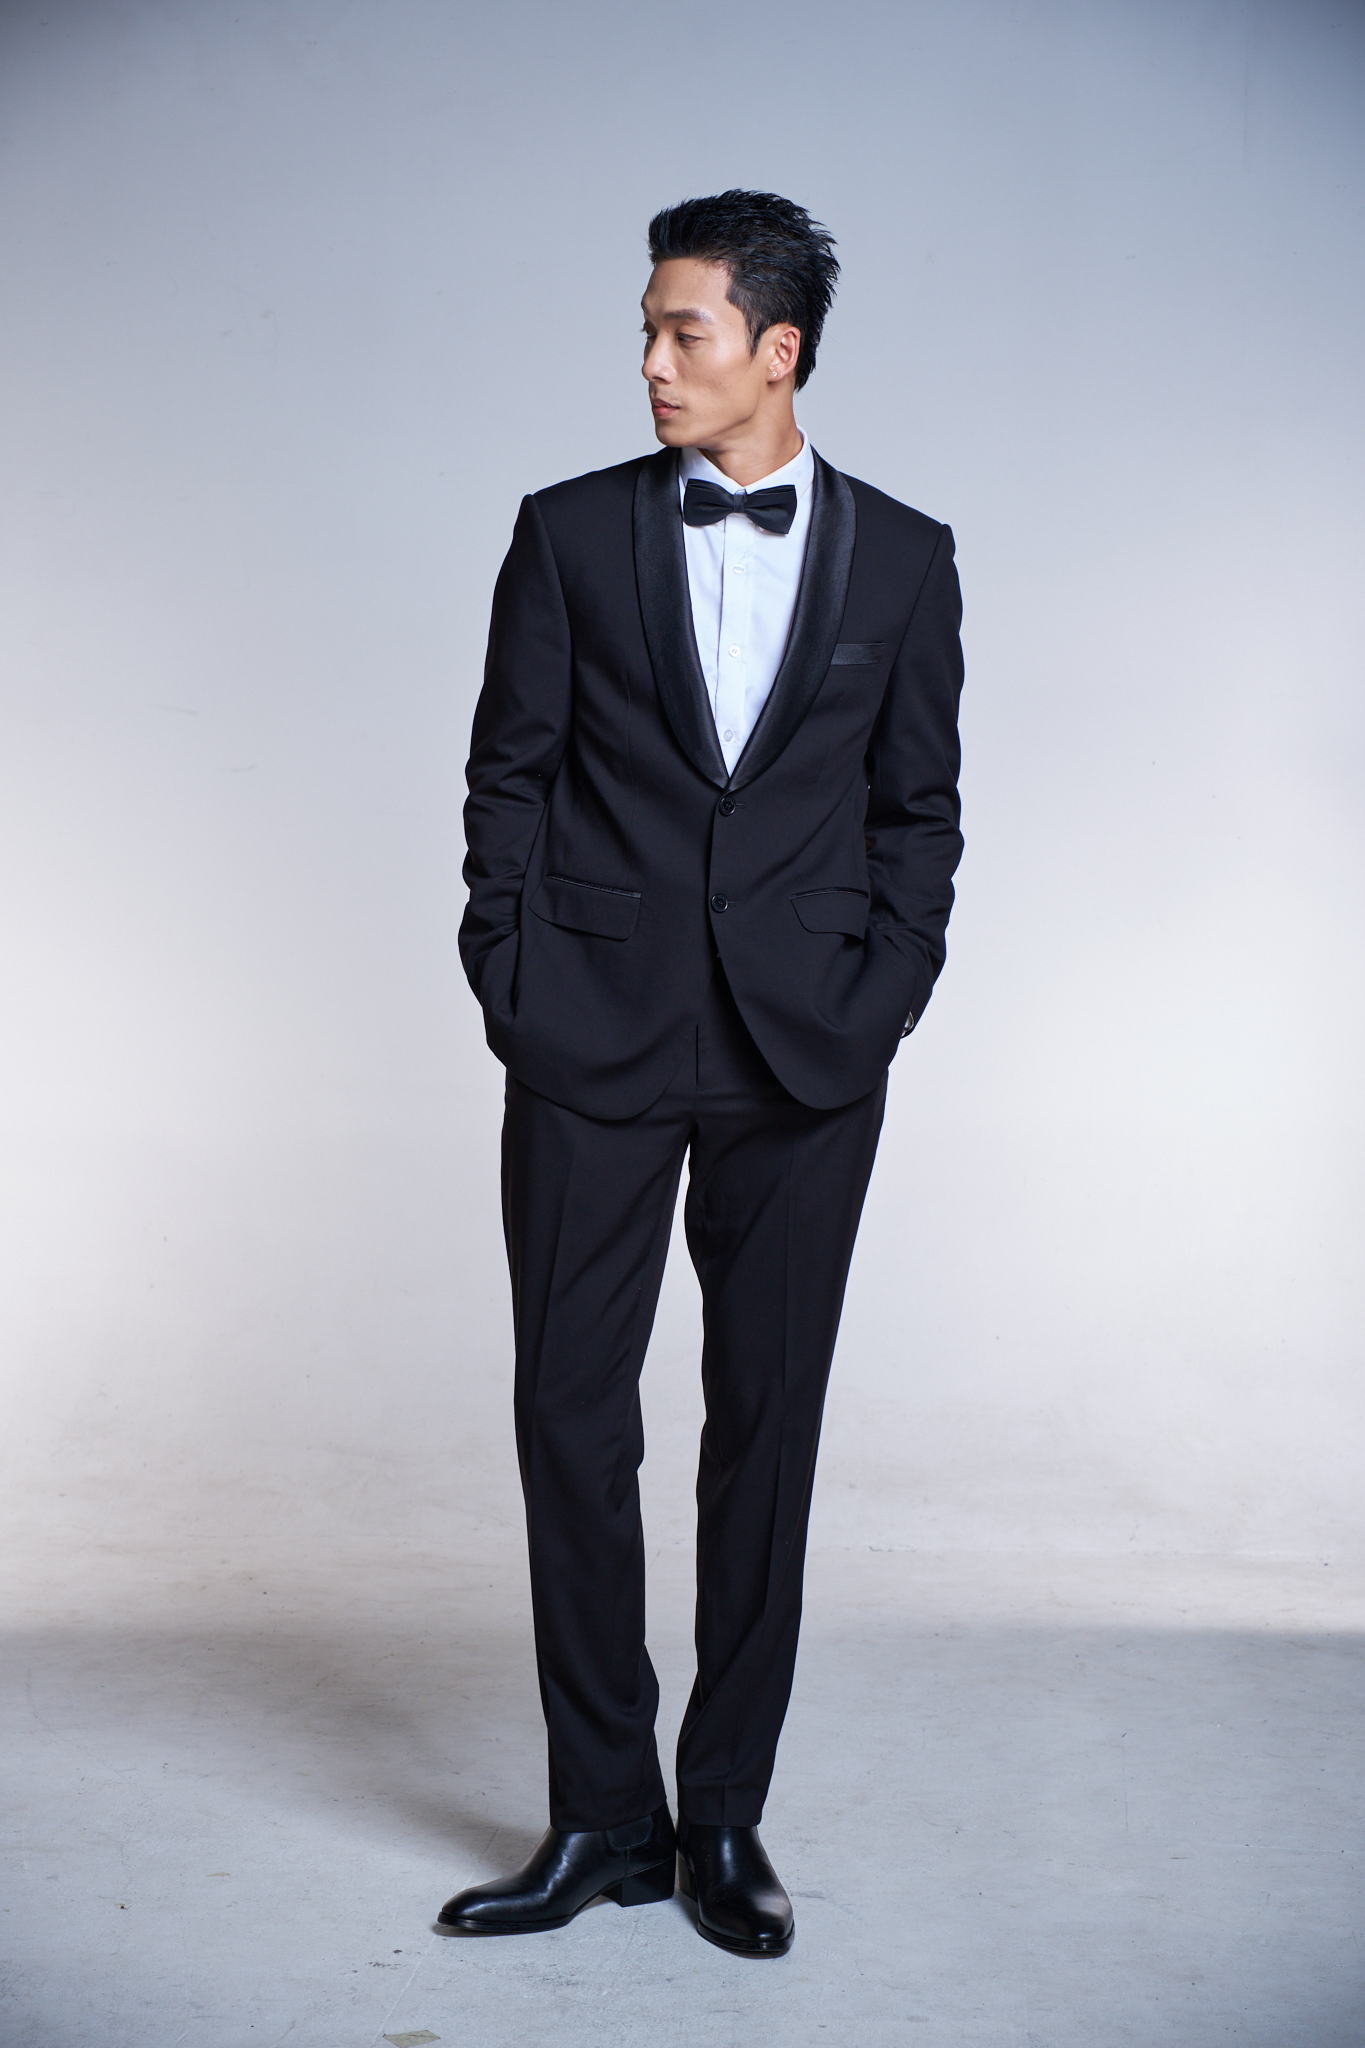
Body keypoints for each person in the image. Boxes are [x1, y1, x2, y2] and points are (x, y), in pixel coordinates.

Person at [439, 190, 963, 1957]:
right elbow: (506, 774)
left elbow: (918, 811)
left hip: (803, 1054)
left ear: (776, 350)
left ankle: (722, 1813)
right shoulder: (567, 532)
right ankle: (604, 1815)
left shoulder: (904, 558)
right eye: (648, 332)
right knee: (568, 1419)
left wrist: (882, 995)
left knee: (767, 1430)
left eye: (687, 332)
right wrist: (509, 974)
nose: (654, 364)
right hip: (586, 1031)